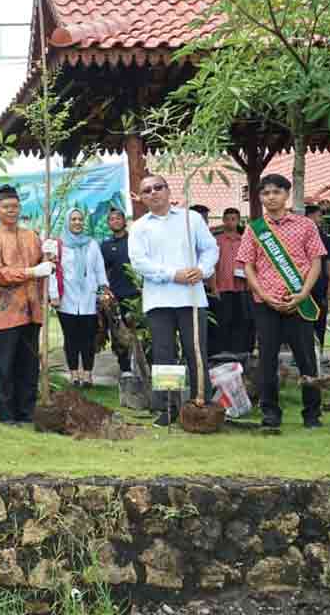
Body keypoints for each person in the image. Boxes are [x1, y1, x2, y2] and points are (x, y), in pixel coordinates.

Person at [236, 175, 327, 431]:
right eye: (265, 193)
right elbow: (248, 266)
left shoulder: (306, 226)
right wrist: (264, 295)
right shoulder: (255, 229)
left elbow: (316, 262)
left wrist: (302, 294)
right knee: (267, 360)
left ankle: (312, 414)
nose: (271, 197)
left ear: (287, 194)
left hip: (299, 301)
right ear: (260, 198)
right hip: (266, 304)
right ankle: (270, 414)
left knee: (306, 359)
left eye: (276, 192)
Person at [128, 175, 218, 427]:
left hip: (192, 297)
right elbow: (139, 262)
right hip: (159, 299)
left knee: (196, 350)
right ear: (142, 198)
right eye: (147, 190)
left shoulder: (192, 219)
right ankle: (167, 408)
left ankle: (204, 403)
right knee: (164, 354)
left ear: (168, 191)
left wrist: (202, 269)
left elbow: (210, 249)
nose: (154, 193)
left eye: (158, 187)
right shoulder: (139, 227)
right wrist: (172, 274)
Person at [0, 185, 60, 427]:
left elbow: (45, 267)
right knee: (4, 364)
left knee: (28, 363)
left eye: (15, 206)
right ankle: (5, 414)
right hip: (4, 311)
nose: (11, 210)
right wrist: (31, 271)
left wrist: (49, 256)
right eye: (6, 207)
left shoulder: (32, 236)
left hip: (32, 308)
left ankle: (26, 412)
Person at [52, 209, 109, 388]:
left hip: (89, 300)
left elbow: (99, 269)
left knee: (87, 339)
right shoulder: (58, 245)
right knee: (70, 339)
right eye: (73, 219)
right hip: (67, 300)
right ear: (67, 222)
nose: (77, 222)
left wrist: (103, 290)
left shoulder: (92, 244)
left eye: (80, 219)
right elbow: (53, 272)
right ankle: (74, 374)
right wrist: (53, 295)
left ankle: (88, 374)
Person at [99, 208, 138, 373]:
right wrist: (105, 291)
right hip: (116, 296)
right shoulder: (106, 245)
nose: (115, 221)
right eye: (111, 219)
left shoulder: (135, 241)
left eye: (118, 218)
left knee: (139, 333)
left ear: (124, 221)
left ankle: (143, 366)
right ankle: (125, 369)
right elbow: (103, 272)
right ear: (108, 224)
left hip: (137, 296)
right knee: (119, 334)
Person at [213, 207, 252, 356]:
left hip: (242, 286)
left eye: (234, 219)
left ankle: (240, 350)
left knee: (241, 319)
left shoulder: (244, 241)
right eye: (228, 219)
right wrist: (214, 286)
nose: (230, 222)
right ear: (223, 220)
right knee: (224, 319)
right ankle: (223, 350)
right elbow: (213, 264)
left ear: (238, 221)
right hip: (222, 286)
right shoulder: (217, 241)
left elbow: (249, 263)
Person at [305, 205, 330, 350]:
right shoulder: (297, 235)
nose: (320, 220)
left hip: (320, 284)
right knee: (302, 319)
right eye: (318, 216)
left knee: (320, 317)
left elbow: (329, 261)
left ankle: (320, 349)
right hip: (301, 284)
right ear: (308, 217)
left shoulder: (324, 237)